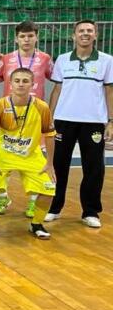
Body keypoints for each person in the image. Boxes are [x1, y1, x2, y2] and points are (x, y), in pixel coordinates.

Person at [47, 19, 113, 228]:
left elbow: (109, 91)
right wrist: (50, 118)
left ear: (96, 35)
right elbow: (57, 90)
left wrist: (111, 121)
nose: (85, 34)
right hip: (64, 120)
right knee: (58, 165)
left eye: (89, 31)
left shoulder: (107, 60)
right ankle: (53, 207)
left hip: (93, 122)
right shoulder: (63, 60)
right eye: (81, 31)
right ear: (73, 36)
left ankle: (90, 211)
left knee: (94, 167)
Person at [0, 68, 56, 239]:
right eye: (17, 81)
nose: (21, 84)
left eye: (25, 81)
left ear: (32, 84)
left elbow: (50, 136)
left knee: (49, 188)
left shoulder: (41, 107)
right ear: (10, 84)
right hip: (3, 153)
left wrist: (49, 163)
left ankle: (37, 224)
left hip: (31, 155)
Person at [0, 21, 55, 217]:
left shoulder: (45, 59)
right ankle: (2, 197)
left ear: (36, 37)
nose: (26, 40)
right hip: (8, 117)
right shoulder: (7, 59)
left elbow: (58, 79)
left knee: (36, 163)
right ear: (16, 38)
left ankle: (34, 202)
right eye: (22, 36)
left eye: (30, 36)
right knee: (1, 162)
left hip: (35, 120)